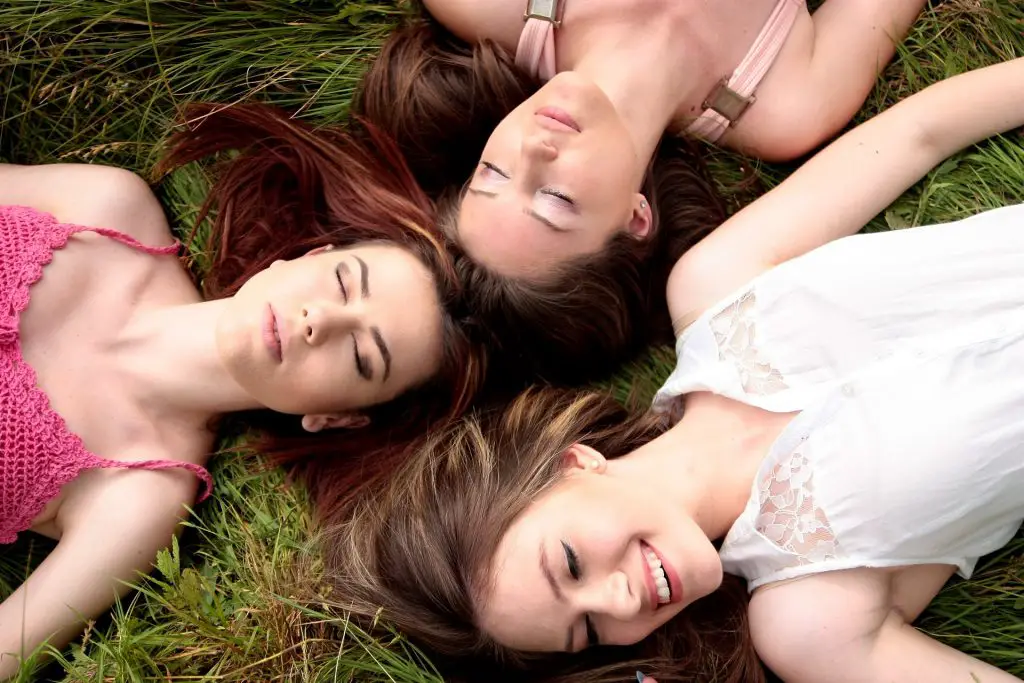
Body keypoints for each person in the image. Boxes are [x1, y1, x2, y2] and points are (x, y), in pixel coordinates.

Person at [327, 56, 1024, 682]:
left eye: (570, 563)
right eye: (590, 630)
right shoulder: (809, 619)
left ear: (573, 462)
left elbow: (921, 132)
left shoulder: (714, 288)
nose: (621, 598)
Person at [0, 103, 481, 678]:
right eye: (342, 283)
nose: (318, 321)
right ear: (308, 256)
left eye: (359, 356)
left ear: (336, 415)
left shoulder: (140, 494)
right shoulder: (107, 207)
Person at [351, 0, 926, 383]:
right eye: (555, 201)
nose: (531, 150)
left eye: (493, 176)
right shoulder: (784, 105)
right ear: (635, 219)